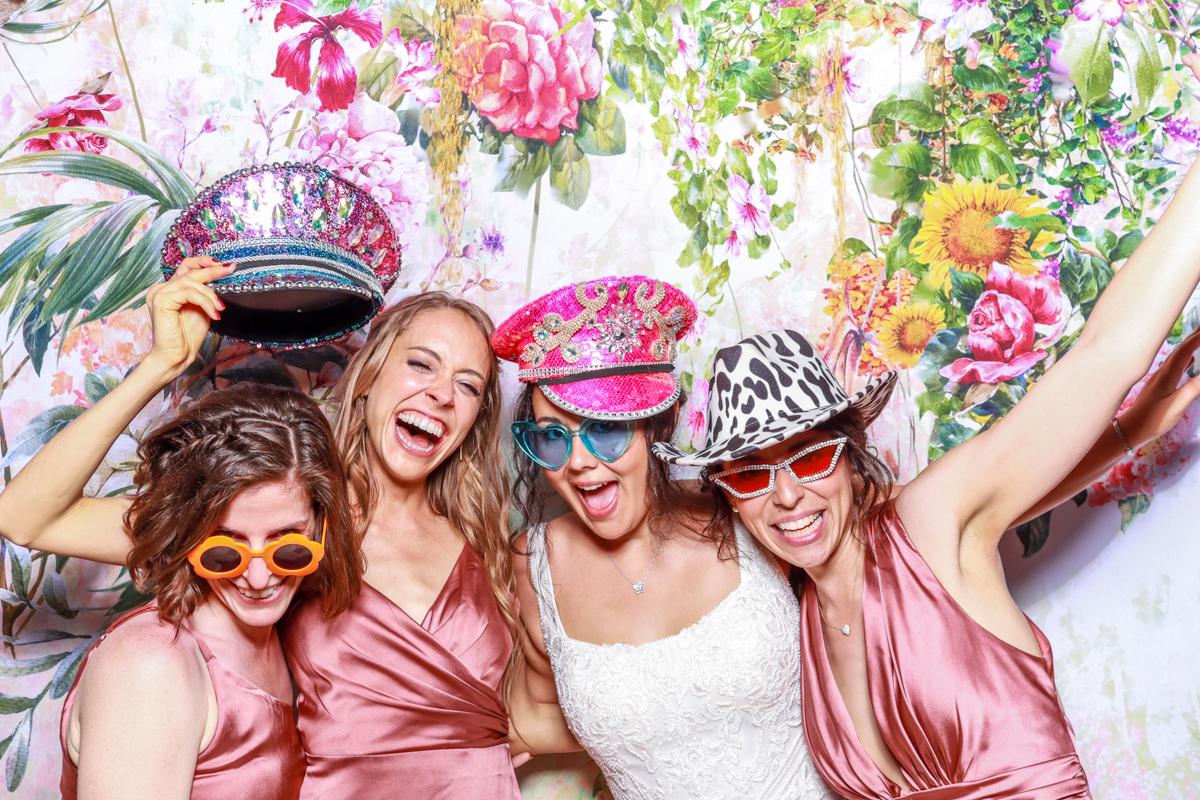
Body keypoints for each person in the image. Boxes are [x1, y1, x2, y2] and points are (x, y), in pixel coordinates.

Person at [655, 95, 1200, 796]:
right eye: (751, 476)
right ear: (730, 495)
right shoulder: (797, 621)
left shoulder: (927, 520)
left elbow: (1106, 353)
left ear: (851, 459)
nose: (786, 495)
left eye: (811, 456)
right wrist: (1126, 437)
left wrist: (1122, 421)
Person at [0, 256, 530, 798]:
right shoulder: (279, 512)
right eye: (422, 364)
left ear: (475, 416)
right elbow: (28, 518)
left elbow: (509, 712)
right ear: (369, 375)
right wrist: (162, 364)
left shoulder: (483, 538)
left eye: (468, 385)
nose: (442, 393)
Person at [0, 259, 360, 800]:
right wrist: (160, 366)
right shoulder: (151, 669)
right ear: (187, 535)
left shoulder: (289, 619)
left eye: (288, 547)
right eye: (224, 551)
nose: (260, 577)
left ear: (321, 528)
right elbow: (22, 518)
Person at [493, 276, 836, 800]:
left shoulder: (744, 502)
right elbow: (534, 713)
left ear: (662, 420)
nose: (580, 463)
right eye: (552, 435)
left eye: (604, 428)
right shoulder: (533, 561)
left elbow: (881, 537)